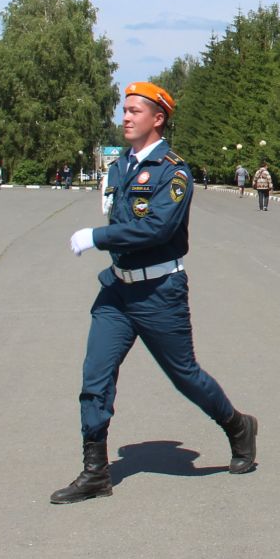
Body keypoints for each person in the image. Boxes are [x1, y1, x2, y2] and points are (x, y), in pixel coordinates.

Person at [53, 81, 257, 504]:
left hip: (159, 290)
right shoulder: (118, 168)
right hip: (117, 291)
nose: (125, 117)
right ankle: (95, 472)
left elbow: (158, 227)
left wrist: (98, 236)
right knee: (95, 377)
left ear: (158, 118)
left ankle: (238, 425)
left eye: (134, 111)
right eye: (123, 110)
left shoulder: (173, 171)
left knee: (185, 375)